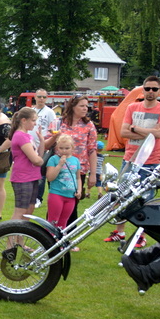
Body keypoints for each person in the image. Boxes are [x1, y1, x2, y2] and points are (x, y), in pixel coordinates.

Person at [104, 76, 160, 246]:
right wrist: (149, 132)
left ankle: (140, 236)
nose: (150, 92)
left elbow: (159, 134)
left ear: (159, 91)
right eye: (147, 88)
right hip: (130, 158)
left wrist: (134, 128)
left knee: (144, 200)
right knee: (122, 196)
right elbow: (123, 132)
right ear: (143, 90)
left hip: (151, 160)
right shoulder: (132, 107)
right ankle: (119, 232)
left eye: (154, 89)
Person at [44, 95, 97, 230]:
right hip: (57, 169)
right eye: (82, 105)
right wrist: (55, 136)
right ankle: (49, 234)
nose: (85, 108)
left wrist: (93, 174)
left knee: (72, 205)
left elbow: (92, 150)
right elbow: (45, 145)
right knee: (55, 204)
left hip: (78, 170)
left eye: (86, 106)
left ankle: (69, 235)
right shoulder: (58, 122)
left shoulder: (89, 125)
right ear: (72, 107)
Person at [8, 107, 45, 221]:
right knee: (20, 211)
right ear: (24, 120)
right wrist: (41, 161)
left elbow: (39, 155)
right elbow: (36, 160)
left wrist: (42, 141)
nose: (35, 124)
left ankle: (22, 233)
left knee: (29, 210)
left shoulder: (28, 136)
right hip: (23, 178)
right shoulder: (20, 136)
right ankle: (11, 232)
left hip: (32, 176)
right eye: (33, 120)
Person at [45, 134, 81, 231]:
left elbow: (78, 178)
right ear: (57, 148)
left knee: (63, 222)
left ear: (72, 148)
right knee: (53, 221)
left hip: (70, 196)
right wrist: (60, 165)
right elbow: (50, 177)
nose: (64, 151)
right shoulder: (53, 159)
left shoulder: (75, 160)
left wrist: (79, 190)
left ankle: (60, 239)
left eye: (67, 148)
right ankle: (49, 238)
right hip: (57, 194)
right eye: (61, 148)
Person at [32, 89, 57, 209]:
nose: (41, 99)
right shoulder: (32, 110)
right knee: (33, 172)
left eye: (44, 97)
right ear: (35, 97)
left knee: (41, 172)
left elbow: (54, 128)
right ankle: (33, 195)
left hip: (45, 146)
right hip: (32, 146)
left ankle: (39, 197)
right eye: (39, 97)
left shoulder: (49, 112)